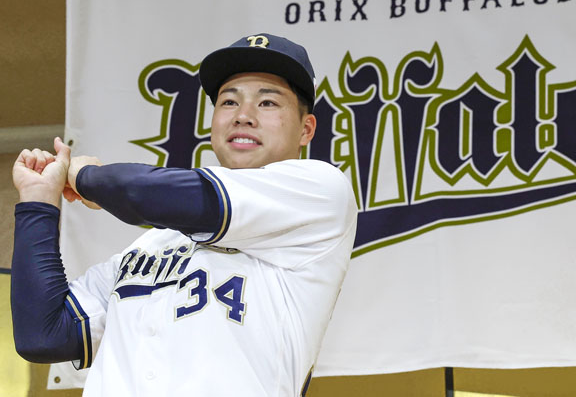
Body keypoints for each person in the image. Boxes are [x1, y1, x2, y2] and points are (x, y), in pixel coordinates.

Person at [11, 33, 358, 397]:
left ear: (306, 129)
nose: (243, 116)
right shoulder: (149, 247)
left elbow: (146, 192)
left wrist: (84, 177)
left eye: (268, 102)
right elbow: (43, 336)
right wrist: (38, 201)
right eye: (229, 101)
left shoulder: (320, 193)